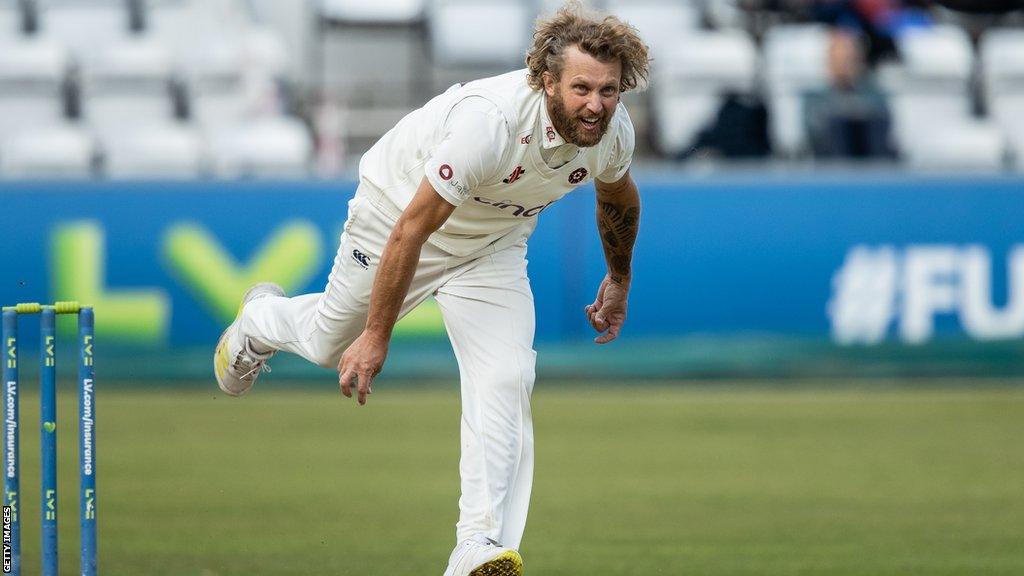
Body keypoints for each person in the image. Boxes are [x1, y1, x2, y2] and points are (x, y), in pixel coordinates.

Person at [212, 2, 650, 574]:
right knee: (326, 344)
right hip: (395, 214)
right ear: (547, 80)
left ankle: (477, 545)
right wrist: (376, 333)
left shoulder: (613, 133)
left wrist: (618, 279)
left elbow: (617, 198)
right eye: (581, 88)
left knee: (506, 377)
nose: (596, 105)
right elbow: (412, 229)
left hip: (493, 245)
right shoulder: (489, 122)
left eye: (609, 91)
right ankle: (258, 320)